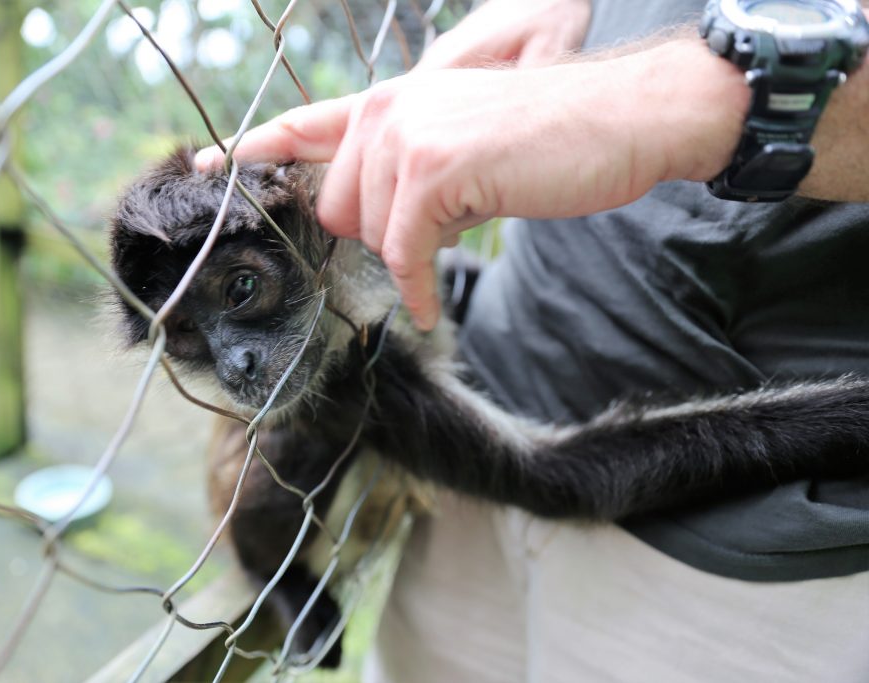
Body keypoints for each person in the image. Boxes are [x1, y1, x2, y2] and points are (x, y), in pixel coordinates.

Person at [197, 0, 869, 680]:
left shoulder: (337, 267)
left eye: (242, 292)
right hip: (498, 402)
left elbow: (568, 475)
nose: (237, 360)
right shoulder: (348, 338)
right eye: (191, 337)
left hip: (745, 551)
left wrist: (674, 98)